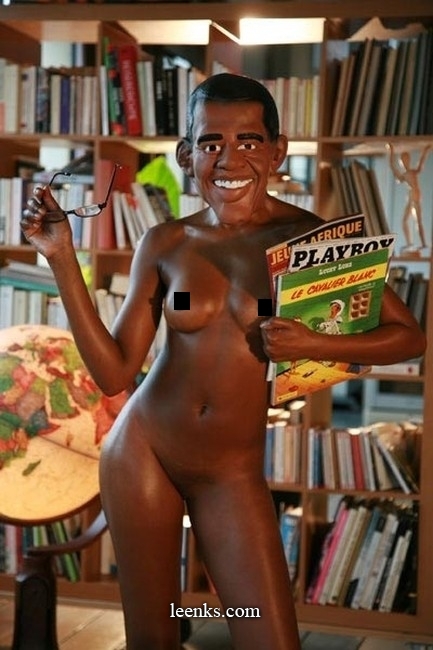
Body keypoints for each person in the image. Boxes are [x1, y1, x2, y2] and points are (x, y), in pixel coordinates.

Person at [21, 73, 426, 650]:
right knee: (153, 638)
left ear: (277, 151)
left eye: (249, 141)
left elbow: (408, 338)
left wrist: (314, 343)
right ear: (186, 155)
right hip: (144, 451)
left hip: (231, 471)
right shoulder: (164, 243)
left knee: (269, 638)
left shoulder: (311, 242)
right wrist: (62, 258)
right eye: (211, 143)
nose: (229, 159)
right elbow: (114, 373)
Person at [387, 142, 431, 251]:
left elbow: (421, 163)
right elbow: (393, 167)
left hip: (415, 194)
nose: (404, 162)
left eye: (405, 160)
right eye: (402, 161)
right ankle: (410, 243)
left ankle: (423, 243)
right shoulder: (404, 175)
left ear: (408, 160)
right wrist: (391, 151)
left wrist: (425, 151)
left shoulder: (412, 172)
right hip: (411, 196)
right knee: (405, 221)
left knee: (418, 220)